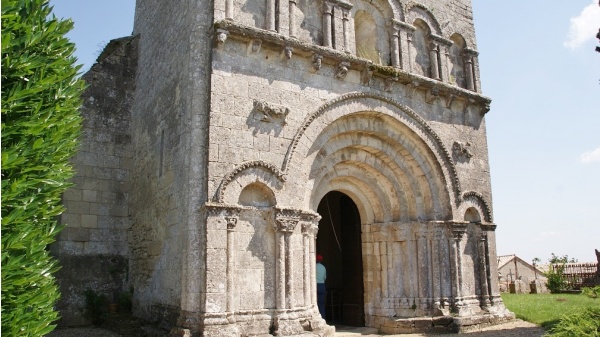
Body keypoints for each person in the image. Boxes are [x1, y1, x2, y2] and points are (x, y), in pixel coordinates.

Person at [316, 254, 327, 318]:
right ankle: (323, 317)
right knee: (321, 303)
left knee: (314, 303)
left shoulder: (314, 266)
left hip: (316, 285)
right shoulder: (323, 267)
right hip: (322, 286)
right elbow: (325, 278)